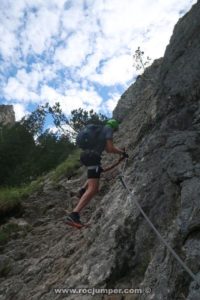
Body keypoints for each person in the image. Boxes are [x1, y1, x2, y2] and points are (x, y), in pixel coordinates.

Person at [65, 119, 128, 228]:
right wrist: (122, 153)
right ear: (114, 126)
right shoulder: (108, 129)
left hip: (86, 156)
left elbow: (106, 151)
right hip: (93, 157)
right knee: (94, 189)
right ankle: (74, 215)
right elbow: (110, 148)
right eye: (116, 130)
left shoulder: (99, 131)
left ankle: (82, 190)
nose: (115, 132)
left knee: (95, 175)